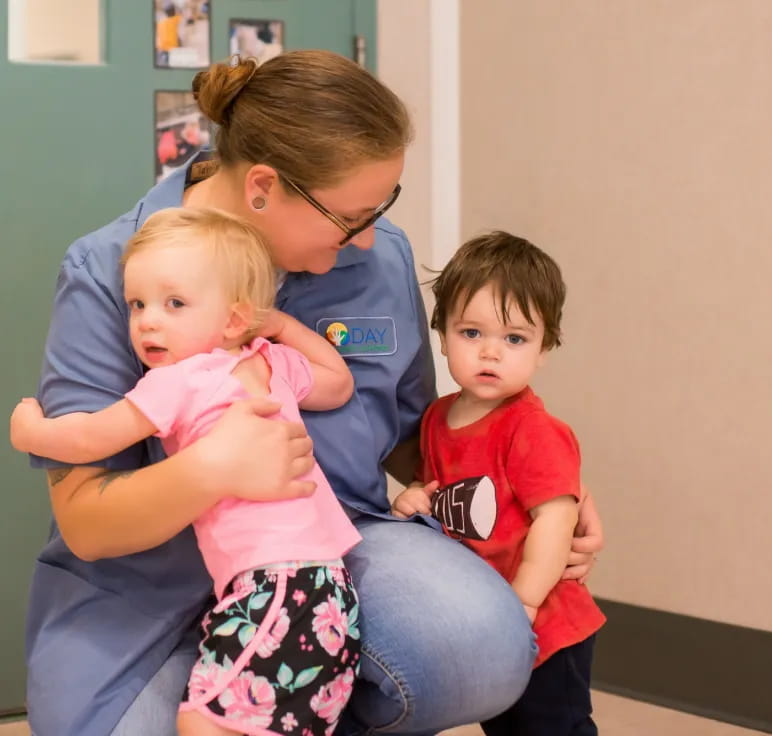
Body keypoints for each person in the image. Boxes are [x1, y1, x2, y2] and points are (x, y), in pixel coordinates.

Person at [22, 50, 603, 736]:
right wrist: (211, 468)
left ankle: (295, 699)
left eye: (381, 207)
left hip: (329, 558)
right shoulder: (115, 270)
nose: (367, 241)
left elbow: (420, 440)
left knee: (479, 646)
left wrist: (538, 489)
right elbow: (87, 520)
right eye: (352, 216)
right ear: (263, 187)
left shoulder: (378, 255)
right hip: (144, 591)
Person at [12, 207, 362, 736]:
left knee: (202, 721)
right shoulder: (270, 362)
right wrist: (286, 329)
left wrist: (30, 431)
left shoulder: (180, 380)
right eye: (137, 304)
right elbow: (339, 381)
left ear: (233, 319)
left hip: (272, 587)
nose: (149, 320)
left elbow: (89, 438)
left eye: (174, 303)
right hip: (329, 585)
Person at [391, 231, 606, 735]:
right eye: (471, 334)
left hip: (546, 626)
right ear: (441, 336)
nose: (491, 353)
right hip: (490, 622)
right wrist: (414, 498)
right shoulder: (438, 418)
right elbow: (438, 491)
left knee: (552, 727)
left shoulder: (532, 429)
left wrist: (525, 601)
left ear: (544, 348)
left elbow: (555, 519)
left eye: (515, 339)